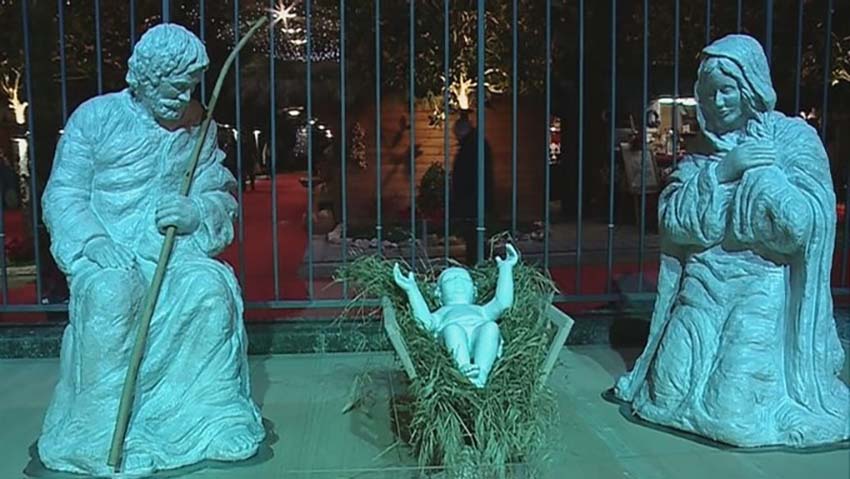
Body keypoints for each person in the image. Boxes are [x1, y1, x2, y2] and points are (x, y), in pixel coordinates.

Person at [37, 24, 264, 476]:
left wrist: (195, 212)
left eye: (191, 87)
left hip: (172, 254)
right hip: (109, 252)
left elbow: (218, 192)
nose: (183, 98)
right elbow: (63, 193)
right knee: (113, 296)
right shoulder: (96, 118)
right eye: (174, 87)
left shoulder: (198, 125)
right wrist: (94, 241)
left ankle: (212, 419)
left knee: (210, 289)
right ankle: (100, 435)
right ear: (144, 79)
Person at [613, 35, 849, 448]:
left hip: (761, 290)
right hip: (702, 288)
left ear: (750, 88)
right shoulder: (704, 152)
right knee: (666, 390)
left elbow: (801, 227)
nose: (719, 102)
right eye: (710, 93)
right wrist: (724, 171)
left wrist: (764, 176)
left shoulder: (791, 139)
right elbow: (673, 221)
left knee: (731, 413)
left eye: (727, 90)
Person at [393, 244, 519, 388]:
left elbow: (502, 304)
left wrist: (506, 268)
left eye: (464, 280)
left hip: (479, 339)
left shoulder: (481, 310)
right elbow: (425, 323)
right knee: (452, 329)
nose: (458, 283)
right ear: (438, 294)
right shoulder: (442, 313)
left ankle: (482, 373)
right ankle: (464, 370)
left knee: (491, 327)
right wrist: (412, 290)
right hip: (453, 343)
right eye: (450, 280)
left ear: (475, 291)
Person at [449, 115, 494, 266]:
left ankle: (478, 263)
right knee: (476, 235)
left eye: (456, 134)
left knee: (475, 235)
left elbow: (467, 175)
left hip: (472, 199)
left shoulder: (471, 146)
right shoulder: (476, 143)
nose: (456, 138)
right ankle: (480, 262)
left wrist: (460, 199)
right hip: (476, 197)